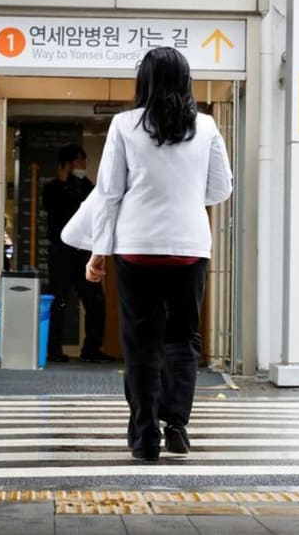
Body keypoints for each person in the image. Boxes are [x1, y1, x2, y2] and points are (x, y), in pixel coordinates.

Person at [85, 47, 233, 461]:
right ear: (186, 80)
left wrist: (99, 251)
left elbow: (109, 192)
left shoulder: (123, 124)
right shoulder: (205, 127)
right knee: (182, 340)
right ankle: (178, 427)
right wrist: (185, 196)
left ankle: (146, 436)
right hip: (189, 249)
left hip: (136, 249)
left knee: (140, 343)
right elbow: (221, 189)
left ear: (144, 80)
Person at [42, 144, 114, 363]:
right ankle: (53, 350)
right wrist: (65, 183)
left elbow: (95, 207)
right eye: (79, 162)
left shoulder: (86, 187)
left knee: (95, 302)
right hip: (61, 253)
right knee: (59, 301)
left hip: (83, 253)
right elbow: (56, 212)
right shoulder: (52, 188)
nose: (82, 166)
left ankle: (92, 348)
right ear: (68, 163)